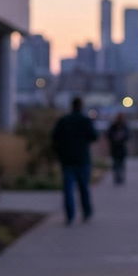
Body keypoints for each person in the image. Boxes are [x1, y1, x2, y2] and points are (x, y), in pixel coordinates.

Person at [51, 96, 98, 225]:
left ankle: (70, 215)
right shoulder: (85, 121)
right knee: (83, 188)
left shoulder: (64, 120)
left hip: (67, 160)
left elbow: (54, 138)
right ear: (81, 106)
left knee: (68, 189)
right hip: (82, 159)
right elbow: (94, 136)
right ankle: (86, 212)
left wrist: (60, 152)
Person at [108, 113, 131, 185]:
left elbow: (128, 136)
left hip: (121, 148)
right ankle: (117, 177)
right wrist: (115, 137)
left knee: (121, 164)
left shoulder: (124, 126)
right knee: (116, 164)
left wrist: (122, 137)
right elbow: (108, 135)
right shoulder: (113, 126)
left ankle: (120, 177)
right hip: (115, 148)